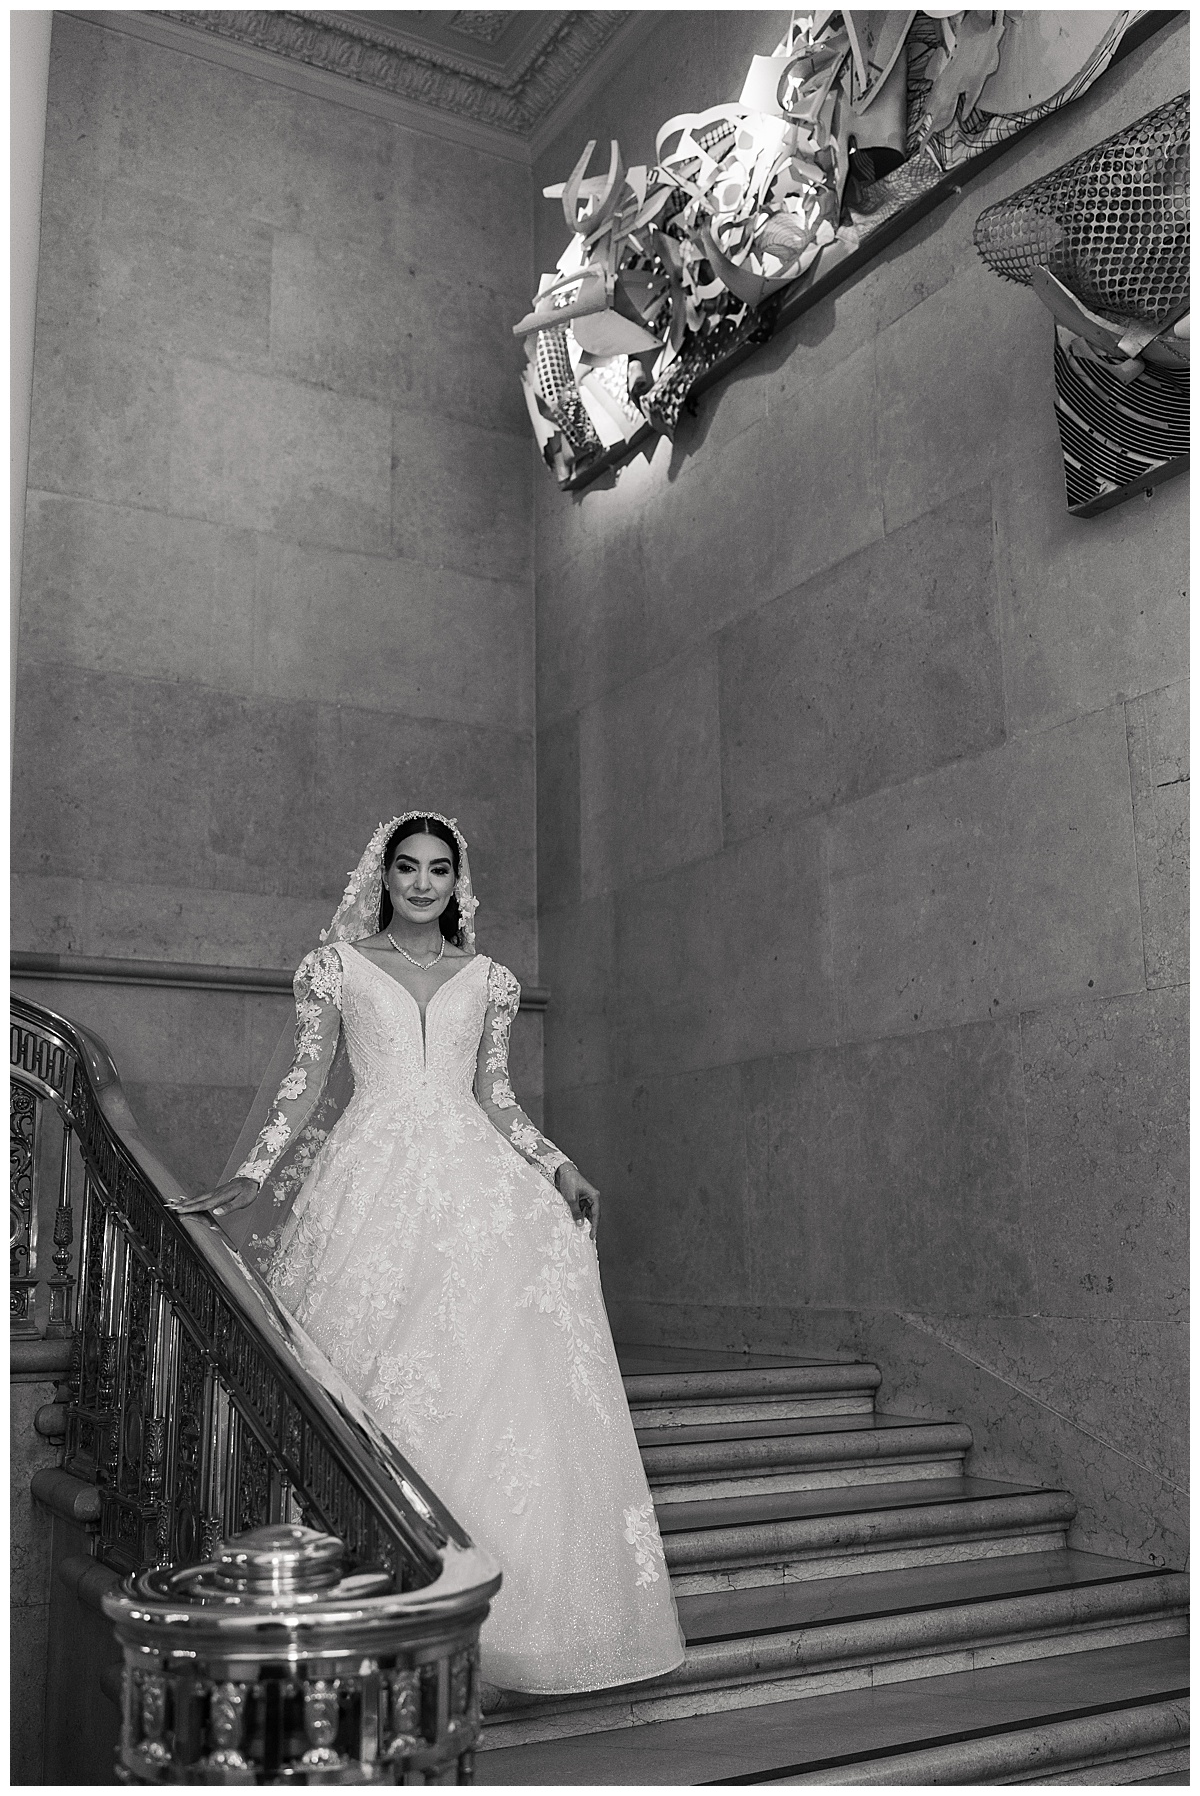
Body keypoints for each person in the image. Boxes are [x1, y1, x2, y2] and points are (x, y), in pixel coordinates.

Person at [166, 811, 685, 1695]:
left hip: (473, 1182)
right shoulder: (336, 967)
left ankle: (506, 1617)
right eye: (406, 868)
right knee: (376, 1374)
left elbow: (496, 1097)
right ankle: (377, 1599)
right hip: (370, 1179)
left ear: (457, 882)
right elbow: (301, 1087)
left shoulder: (488, 979)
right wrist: (252, 1177)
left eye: (438, 870)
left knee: (491, 1375)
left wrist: (559, 1167)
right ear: (384, 876)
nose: (420, 883)